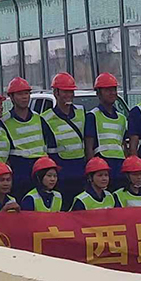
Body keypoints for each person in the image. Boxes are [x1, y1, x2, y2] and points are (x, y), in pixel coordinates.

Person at [41, 73, 86, 208]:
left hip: (80, 170)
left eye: (71, 91)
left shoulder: (81, 112)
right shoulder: (45, 118)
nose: (69, 95)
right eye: (65, 91)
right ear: (56, 93)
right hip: (61, 173)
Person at [3, 77, 48, 200]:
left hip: (39, 169)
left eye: (26, 93)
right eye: (20, 94)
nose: (24, 97)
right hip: (19, 170)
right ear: (11, 97)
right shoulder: (4, 121)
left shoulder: (39, 119)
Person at [85, 73, 128, 190]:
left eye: (114, 89)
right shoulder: (92, 116)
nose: (112, 93)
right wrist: (91, 170)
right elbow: (89, 147)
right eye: (107, 90)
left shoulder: (122, 118)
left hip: (120, 167)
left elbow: (124, 145)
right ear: (98, 93)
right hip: (102, 167)